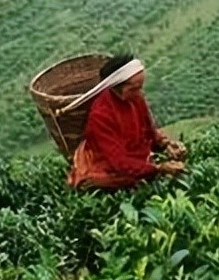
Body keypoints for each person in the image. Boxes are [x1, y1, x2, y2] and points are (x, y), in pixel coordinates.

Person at [66, 54, 186, 190]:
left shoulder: (136, 98)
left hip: (132, 155)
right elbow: (118, 162)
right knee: (125, 178)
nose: (139, 92)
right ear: (115, 87)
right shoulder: (100, 115)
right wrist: (159, 168)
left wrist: (166, 144)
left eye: (140, 87)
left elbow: (147, 128)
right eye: (134, 88)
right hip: (107, 163)